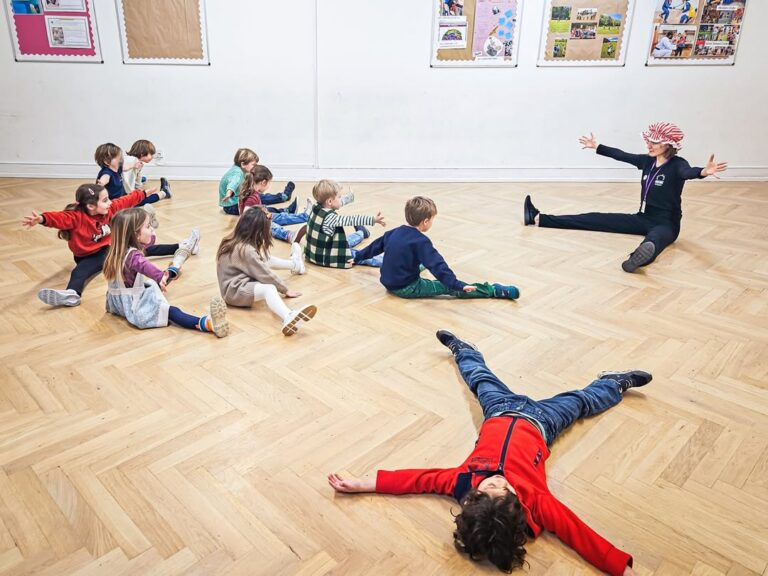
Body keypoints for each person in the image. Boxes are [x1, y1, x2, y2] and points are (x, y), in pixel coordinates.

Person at [329, 330, 650, 575]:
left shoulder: (461, 484)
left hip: (499, 411)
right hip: (542, 422)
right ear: (517, 506)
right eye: (503, 490)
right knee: (581, 402)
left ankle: (463, 350)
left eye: (488, 488)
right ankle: (613, 382)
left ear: (471, 500)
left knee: (480, 379)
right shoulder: (536, 502)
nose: (496, 481)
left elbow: (416, 479)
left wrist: (362, 484)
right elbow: (577, 532)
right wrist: (621, 567)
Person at [523, 123, 727, 272]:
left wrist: (703, 172)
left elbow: (688, 172)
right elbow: (622, 155)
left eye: (655, 142)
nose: (650, 145)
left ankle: (637, 259)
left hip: (666, 224)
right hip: (642, 218)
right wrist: (597, 147)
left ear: (668, 145)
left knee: (655, 239)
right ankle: (538, 218)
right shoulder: (647, 161)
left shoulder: (678, 164)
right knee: (596, 218)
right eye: (649, 141)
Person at [21, 184, 197, 307]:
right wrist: (41, 219)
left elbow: (125, 201)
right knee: (79, 272)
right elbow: (59, 218)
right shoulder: (76, 218)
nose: (110, 202)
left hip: (109, 248)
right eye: (105, 200)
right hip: (88, 256)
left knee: (146, 248)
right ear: (90, 206)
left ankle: (183, 246)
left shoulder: (110, 209)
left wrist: (142, 194)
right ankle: (72, 294)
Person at [353, 196, 519, 299]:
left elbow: (374, 247)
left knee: (416, 259)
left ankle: (420, 266)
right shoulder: (421, 242)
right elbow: (438, 266)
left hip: (387, 281)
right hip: (405, 287)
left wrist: (357, 256)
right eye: (432, 220)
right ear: (425, 221)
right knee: (447, 287)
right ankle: (492, 290)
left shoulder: (394, 232)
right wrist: (457, 284)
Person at [103, 208, 228, 336]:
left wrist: (149, 228)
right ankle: (207, 324)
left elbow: (149, 242)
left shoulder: (117, 249)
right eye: (148, 226)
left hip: (117, 302)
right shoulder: (133, 256)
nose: (151, 230)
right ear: (136, 235)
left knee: (156, 282)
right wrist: (160, 276)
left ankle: (176, 264)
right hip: (133, 306)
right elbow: (145, 266)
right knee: (170, 311)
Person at [217, 207, 316, 336]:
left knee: (265, 259)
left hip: (232, 285)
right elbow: (264, 274)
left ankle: (295, 265)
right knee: (269, 288)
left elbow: (261, 264)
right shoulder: (246, 251)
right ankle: (288, 316)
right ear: (257, 231)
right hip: (234, 291)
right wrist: (284, 289)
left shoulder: (234, 240)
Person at [304, 179, 385, 268]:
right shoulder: (330, 218)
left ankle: (361, 233)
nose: (341, 199)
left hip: (313, 253)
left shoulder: (317, 207)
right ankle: (386, 261)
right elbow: (351, 220)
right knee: (360, 255)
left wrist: (349, 198)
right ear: (330, 201)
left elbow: (337, 203)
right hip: (328, 256)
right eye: (339, 197)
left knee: (345, 241)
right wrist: (373, 220)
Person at [239, 165, 311, 245]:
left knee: (281, 216)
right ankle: (288, 235)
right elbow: (246, 216)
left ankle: (305, 216)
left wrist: (266, 214)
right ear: (264, 182)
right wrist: (264, 221)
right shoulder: (252, 197)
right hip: (255, 225)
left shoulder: (252, 192)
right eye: (269, 182)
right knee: (273, 227)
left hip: (262, 216)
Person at [219, 148, 294, 215]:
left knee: (260, 196)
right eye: (253, 164)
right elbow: (233, 183)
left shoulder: (240, 170)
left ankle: (282, 197)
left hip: (238, 200)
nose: (255, 167)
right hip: (232, 206)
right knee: (260, 209)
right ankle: (284, 210)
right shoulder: (237, 173)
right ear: (243, 164)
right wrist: (229, 193)